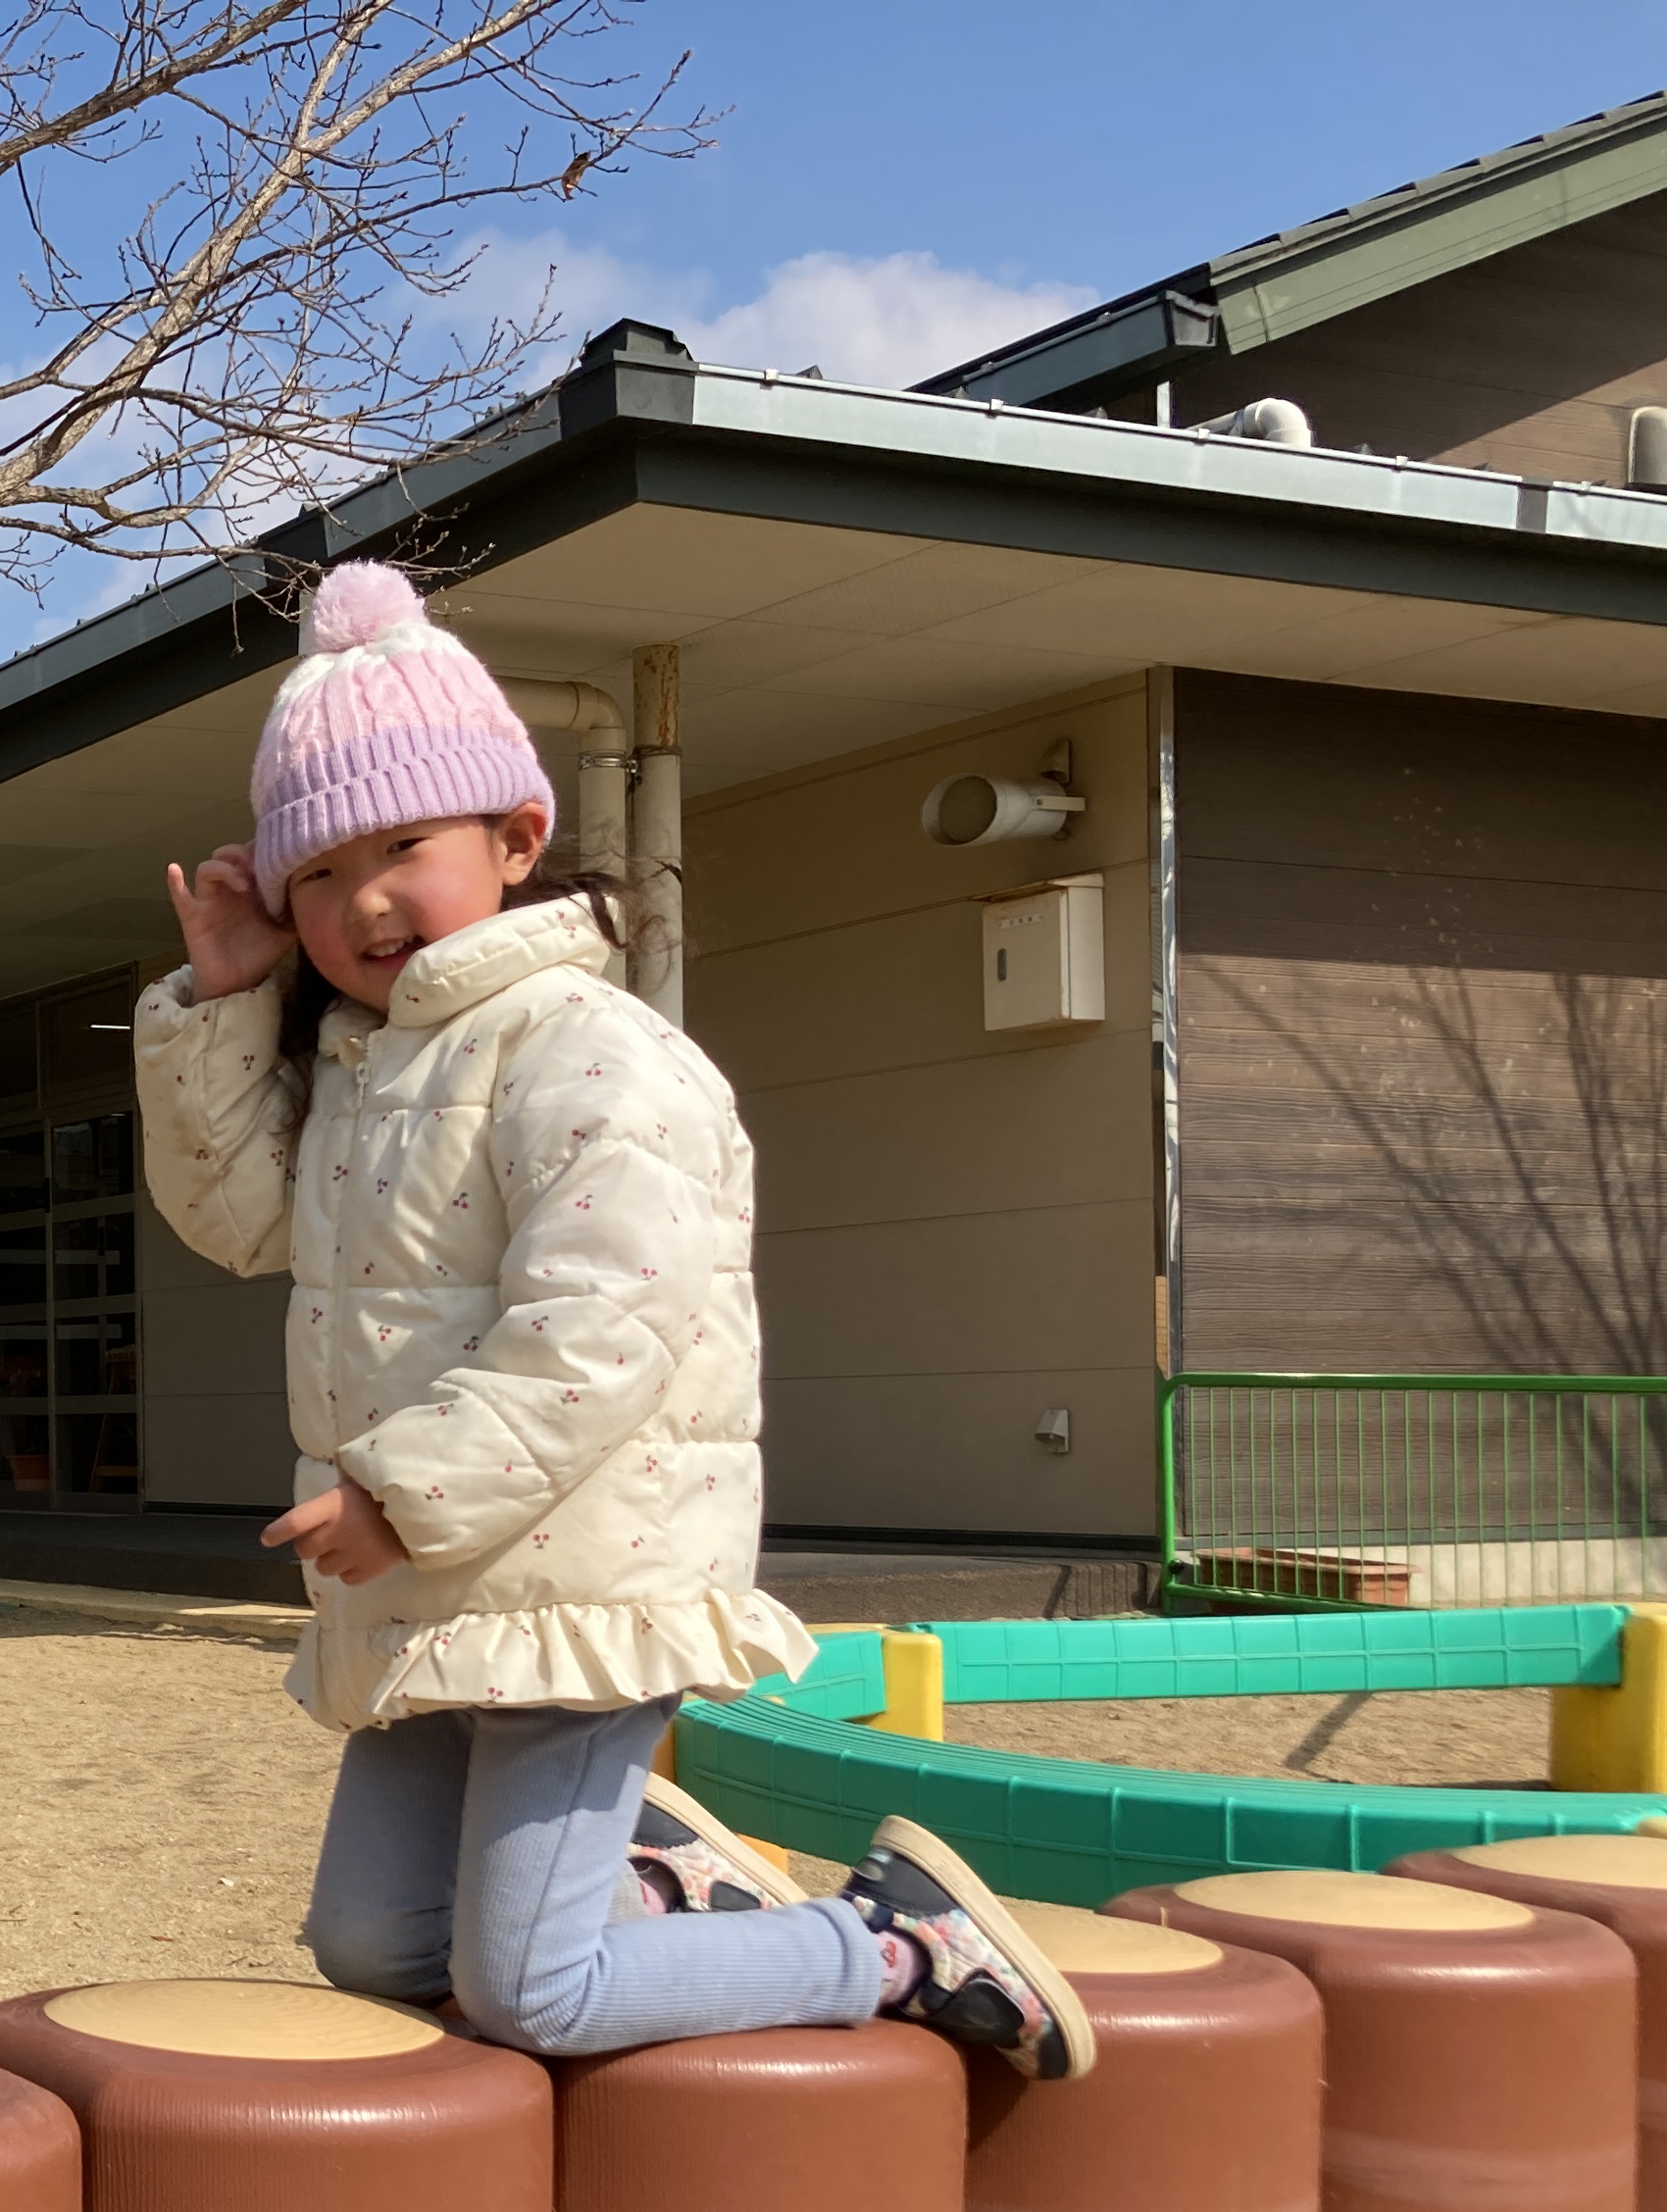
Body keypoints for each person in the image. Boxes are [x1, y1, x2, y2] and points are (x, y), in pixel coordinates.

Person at [140, 559, 1092, 2083]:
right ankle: (655, 1887)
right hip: (444, 1589)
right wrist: (227, 1006)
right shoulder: (368, 1073)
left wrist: (402, 1494)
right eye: (315, 872)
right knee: (375, 1944)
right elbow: (235, 1219)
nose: (362, 899)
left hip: (582, 1576)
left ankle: (895, 1945)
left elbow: (603, 1327)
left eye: (404, 846)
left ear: (517, 839)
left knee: (533, 1992)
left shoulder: (588, 1051)